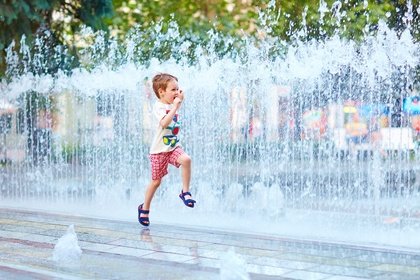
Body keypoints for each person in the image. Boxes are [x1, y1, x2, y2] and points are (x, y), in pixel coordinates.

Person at [138, 73, 196, 227]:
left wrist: (178, 102)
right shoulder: (158, 106)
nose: (177, 92)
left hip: (172, 148)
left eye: (178, 89)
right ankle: (144, 208)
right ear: (161, 91)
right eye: (173, 89)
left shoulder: (172, 105)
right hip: (158, 151)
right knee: (156, 182)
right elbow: (164, 123)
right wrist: (176, 105)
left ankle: (185, 191)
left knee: (186, 160)